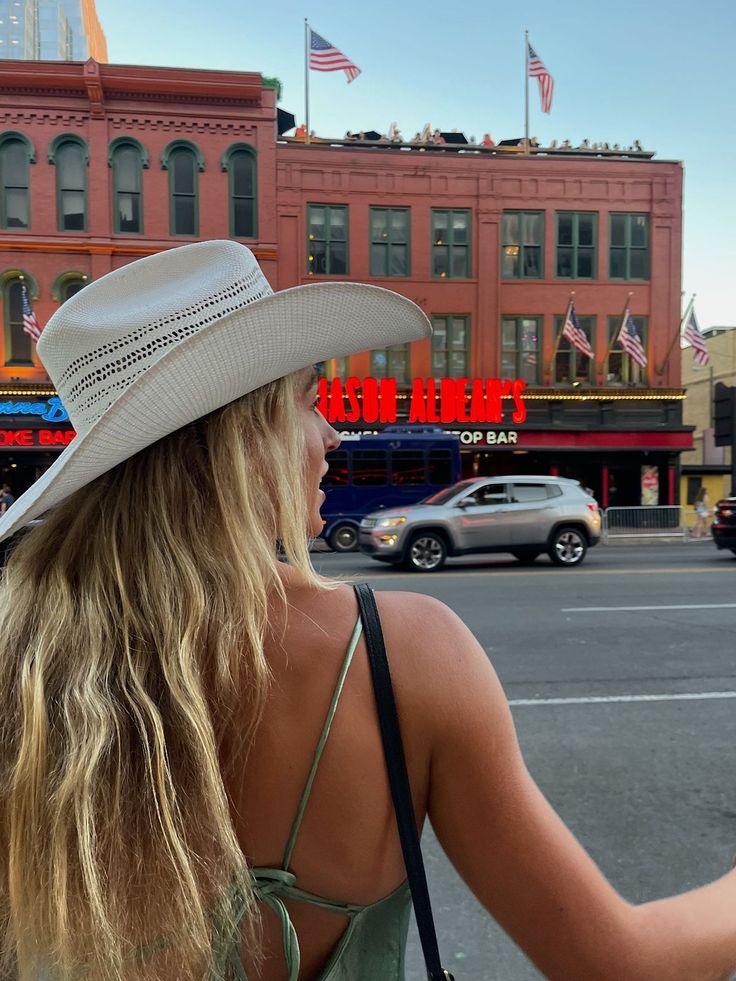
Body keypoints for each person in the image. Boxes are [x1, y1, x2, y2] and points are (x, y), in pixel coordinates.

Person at [1, 241, 736, 981]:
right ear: (241, 440)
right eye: (309, 401)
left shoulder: (19, 657)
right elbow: (626, 962)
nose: (331, 436)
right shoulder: (404, 650)